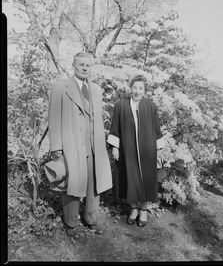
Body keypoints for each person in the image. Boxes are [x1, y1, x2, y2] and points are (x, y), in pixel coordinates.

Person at [48, 52, 112, 239]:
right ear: (73, 65)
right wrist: (56, 147)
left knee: (94, 184)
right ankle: (71, 224)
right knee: (72, 185)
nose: (85, 68)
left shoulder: (97, 90)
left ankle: (91, 220)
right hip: (71, 145)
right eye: (81, 64)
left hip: (94, 146)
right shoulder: (61, 87)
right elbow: (54, 118)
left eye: (88, 65)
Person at [107, 74, 165, 227]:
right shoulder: (120, 105)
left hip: (147, 150)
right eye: (135, 88)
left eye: (141, 88)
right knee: (129, 178)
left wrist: (158, 152)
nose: (137, 91)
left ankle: (144, 210)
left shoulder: (151, 107)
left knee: (146, 180)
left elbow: (157, 130)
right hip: (128, 149)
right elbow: (115, 127)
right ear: (130, 88)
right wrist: (115, 147)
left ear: (145, 90)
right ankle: (133, 208)